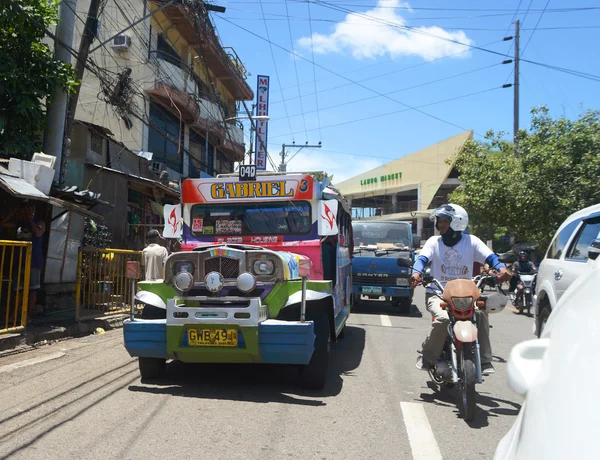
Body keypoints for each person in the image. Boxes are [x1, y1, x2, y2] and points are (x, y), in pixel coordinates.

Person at [410, 204, 510, 375]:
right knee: (442, 319)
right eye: (439, 221)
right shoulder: (434, 242)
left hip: (466, 294)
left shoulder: (471, 241)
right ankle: (428, 356)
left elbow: (490, 257)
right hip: (438, 293)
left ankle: (485, 360)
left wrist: (501, 268)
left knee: (481, 314)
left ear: (457, 223)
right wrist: (416, 273)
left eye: (444, 221)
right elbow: (422, 259)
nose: (439, 225)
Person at [1, 201, 46, 324]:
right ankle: (12, 316)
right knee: (18, 290)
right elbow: (4, 223)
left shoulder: (39, 222)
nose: (25, 213)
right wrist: (14, 211)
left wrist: (31, 219)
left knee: (32, 290)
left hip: (33, 262)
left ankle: (27, 316)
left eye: (28, 210)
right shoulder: (19, 224)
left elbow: (37, 232)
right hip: (19, 261)